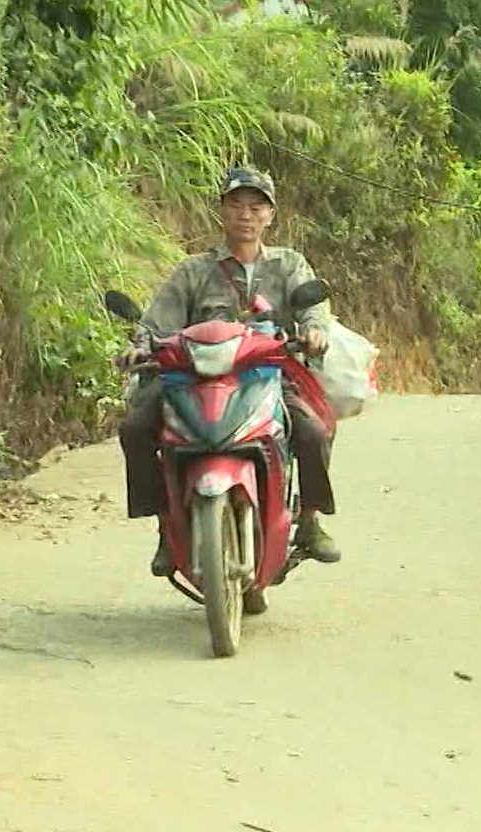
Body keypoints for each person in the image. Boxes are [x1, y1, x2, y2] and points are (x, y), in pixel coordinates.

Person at [118, 165, 341, 576]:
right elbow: (155, 324)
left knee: (312, 430)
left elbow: (314, 308)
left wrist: (313, 330)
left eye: (256, 207)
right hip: (193, 380)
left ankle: (308, 521)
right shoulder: (193, 271)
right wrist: (139, 347)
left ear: (271, 215)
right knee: (135, 428)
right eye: (236, 205)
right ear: (222, 211)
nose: (246, 215)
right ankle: (166, 529)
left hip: (270, 376)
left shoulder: (290, 266)